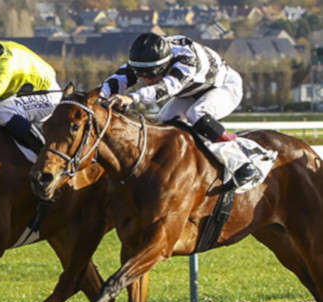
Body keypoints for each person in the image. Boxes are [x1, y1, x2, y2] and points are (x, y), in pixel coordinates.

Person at [100, 32, 257, 187]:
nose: (147, 80)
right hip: (191, 92)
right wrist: (97, 96)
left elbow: (165, 88)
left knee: (197, 114)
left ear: (166, 63)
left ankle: (243, 163)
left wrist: (131, 98)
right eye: (141, 75)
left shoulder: (187, 59)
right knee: (164, 123)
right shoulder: (147, 58)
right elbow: (118, 80)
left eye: (151, 75)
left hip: (225, 87)